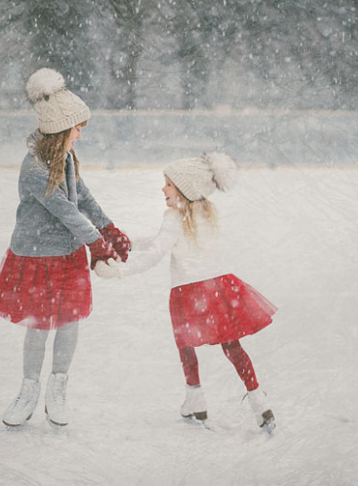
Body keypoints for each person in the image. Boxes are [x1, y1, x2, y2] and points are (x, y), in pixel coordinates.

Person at [0, 68, 131, 428]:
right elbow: (66, 211)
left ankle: (58, 388)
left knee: (68, 321)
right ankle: (29, 389)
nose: (80, 135)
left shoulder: (65, 159)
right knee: (38, 325)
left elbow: (82, 196)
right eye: (77, 129)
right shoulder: (34, 168)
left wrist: (108, 228)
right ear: (59, 132)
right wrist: (98, 245)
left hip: (68, 254)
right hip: (36, 255)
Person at [95, 153, 277, 433]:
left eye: (168, 184)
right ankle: (259, 400)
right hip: (218, 288)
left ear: (185, 189)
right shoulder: (207, 213)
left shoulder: (174, 217)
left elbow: (156, 253)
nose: (163, 189)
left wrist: (119, 271)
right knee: (232, 346)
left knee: (186, 346)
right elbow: (160, 243)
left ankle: (196, 399)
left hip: (187, 292)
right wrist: (128, 242)